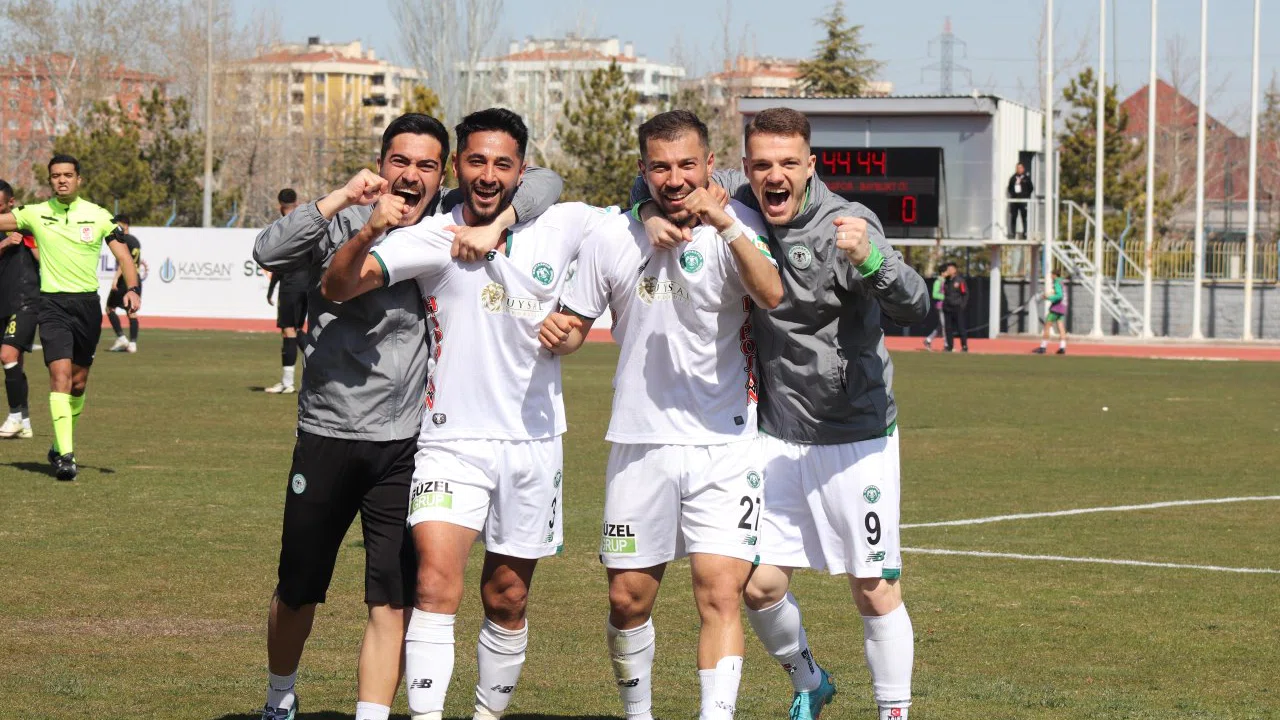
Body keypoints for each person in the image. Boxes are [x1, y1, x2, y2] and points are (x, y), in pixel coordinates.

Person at [252, 112, 563, 720]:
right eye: (400, 161)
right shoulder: (344, 219)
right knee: (298, 588)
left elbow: (544, 181)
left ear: (444, 173)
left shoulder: (450, 218)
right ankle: (278, 697)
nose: (412, 175)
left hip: (408, 444)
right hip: (329, 431)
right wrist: (349, 202)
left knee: (392, 598)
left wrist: (499, 221)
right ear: (381, 164)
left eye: (427, 165)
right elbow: (268, 250)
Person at [632, 107, 928, 720]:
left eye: (789, 163)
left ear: (810, 165)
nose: (775, 176)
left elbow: (915, 306)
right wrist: (647, 211)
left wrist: (872, 261)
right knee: (758, 586)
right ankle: (811, 681)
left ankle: (894, 713)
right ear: (744, 167)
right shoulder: (737, 201)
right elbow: (658, 180)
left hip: (855, 434)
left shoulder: (848, 221)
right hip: (773, 434)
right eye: (762, 164)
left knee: (873, 588)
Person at [321, 108, 615, 720]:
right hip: (449, 441)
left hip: (533, 443)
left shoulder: (562, 223)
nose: (487, 175)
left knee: (507, 597)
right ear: (457, 165)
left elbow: (633, 221)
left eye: (502, 164)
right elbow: (340, 287)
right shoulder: (432, 236)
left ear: (522, 171)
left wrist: (577, 323)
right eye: (476, 161)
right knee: (433, 584)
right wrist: (368, 232)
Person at [539, 110, 782, 720]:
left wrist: (725, 223)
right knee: (627, 600)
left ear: (709, 164)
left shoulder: (741, 222)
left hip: (724, 442)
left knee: (720, 595)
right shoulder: (613, 236)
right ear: (643, 171)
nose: (675, 179)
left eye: (687, 165)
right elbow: (576, 322)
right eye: (660, 167)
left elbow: (771, 293)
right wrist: (563, 334)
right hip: (639, 441)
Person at [0, 154, 141, 480]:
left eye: (67, 175)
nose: (61, 180)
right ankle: (66, 456)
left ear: (78, 179)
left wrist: (132, 289)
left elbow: (124, 256)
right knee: (60, 376)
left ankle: (57, 445)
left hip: (87, 308)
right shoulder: (35, 213)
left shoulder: (98, 215)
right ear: (50, 180)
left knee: (78, 383)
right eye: (55, 176)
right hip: (52, 306)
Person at [0, 179, 40, 439]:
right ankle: (24, 422)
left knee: (7, 355)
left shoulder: (25, 224)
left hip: (25, 299)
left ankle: (15, 416)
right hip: (3, 301)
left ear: (11, 203)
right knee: (14, 362)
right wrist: (4, 244)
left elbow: (43, 257)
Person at [264, 188, 307, 394]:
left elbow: (279, 262)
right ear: (296, 203)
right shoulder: (306, 224)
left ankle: (288, 383)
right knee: (296, 330)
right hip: (306, 285)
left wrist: (271, 289)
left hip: (290, 286)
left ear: (279, 205)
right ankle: (322, 364)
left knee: (288, 330)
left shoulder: (283, 227)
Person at [105, 214, 144, 353]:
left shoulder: (123, 239)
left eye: (118, 224)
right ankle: (133, 343)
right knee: (131, 311)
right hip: (136, 279)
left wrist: (116, 278)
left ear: (125, 225)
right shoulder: (135, 240)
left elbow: (125, 262)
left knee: (110, 308)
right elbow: (135, 260)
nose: (116, 227)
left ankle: (121, 338)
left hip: (124, 279)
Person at [1034, 269, 1069, 355]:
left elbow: (1059, 295)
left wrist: (1048, 298)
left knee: (1047, 326)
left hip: (1056, 308)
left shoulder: (1057, 283)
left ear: (1054, 275)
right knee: (1061, 327)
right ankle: (1062, 347)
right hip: (1062, 307)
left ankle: (1043, 347)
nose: (1050, 276)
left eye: (1051, 274)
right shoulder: (1062, 283)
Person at [941, 263, 968, 353]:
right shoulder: (946, 280)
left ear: (955, 270)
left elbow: (965, 294)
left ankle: (964, 346)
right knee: (948, 328)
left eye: (950, 269)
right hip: (947, 307)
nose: (948, 271)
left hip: (957, 307)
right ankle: (950, 346)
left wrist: (962, 305)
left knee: (960, 327)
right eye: (947, 269)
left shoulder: (960, 281)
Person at [1007, 162, 1033, 240]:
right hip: (1015, 201)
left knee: (1024, 217)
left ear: (1023, 169)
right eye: (1017, 168)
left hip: (1023, 200)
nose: (1019, 169)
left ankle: (1025, 233)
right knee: (1014, 216)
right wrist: (1013, 194)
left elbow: (1031, 188)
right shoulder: (1013, 178)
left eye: (1020, 168)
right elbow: (1009, 188)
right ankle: (1013, 234)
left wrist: (1026, 195)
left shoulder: (1026, 178)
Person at [922, 268, 946, 351]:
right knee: (944, 325)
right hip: (940, 306)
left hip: (947, 306)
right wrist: (946, 297)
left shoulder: (946, 281)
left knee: (941, 326)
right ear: (942, 273)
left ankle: (928, 340)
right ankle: (947, 345)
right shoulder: (938, 282)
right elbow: (935, 294)